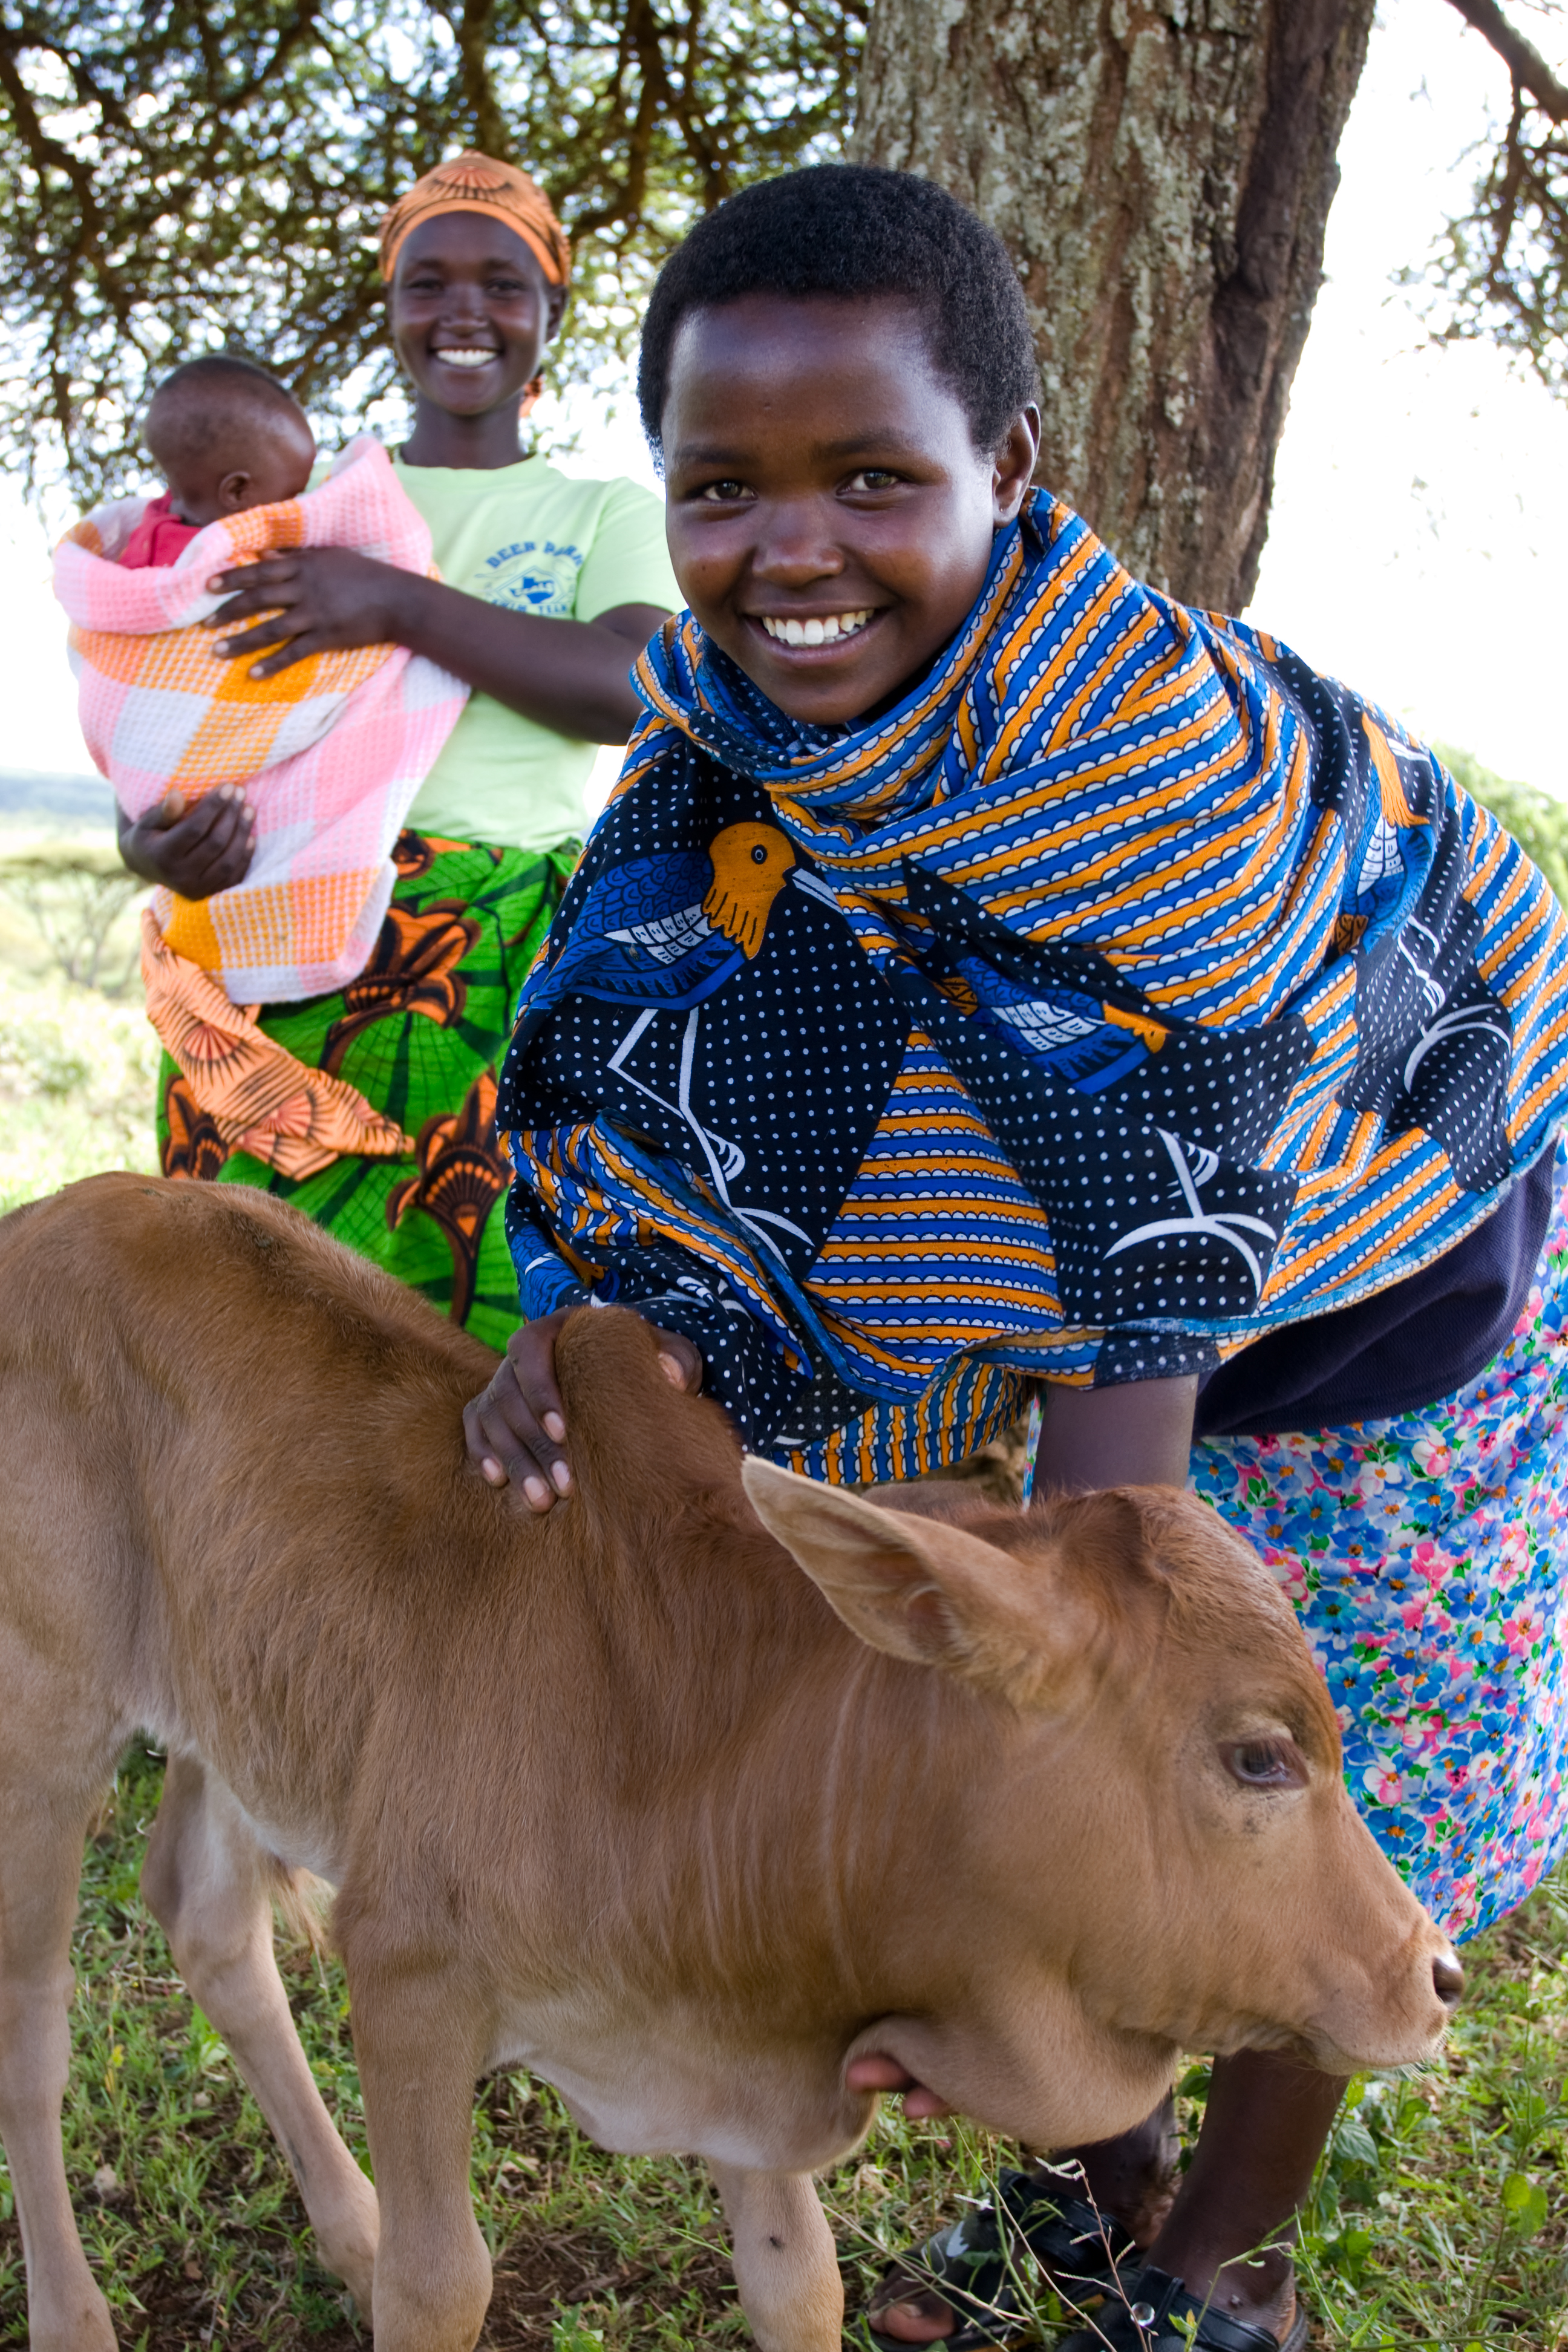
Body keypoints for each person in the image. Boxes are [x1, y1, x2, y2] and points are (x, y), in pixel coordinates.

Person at [461, 165, 1568, 2352]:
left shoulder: (1139, 790)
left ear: (1008, 470)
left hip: (1377, 1299)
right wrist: (592, 1313)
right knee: (1025, 1750)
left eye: (872, 475)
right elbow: (664, 1067)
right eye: (722, 485)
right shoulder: (725, 748)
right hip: (1058, 1307)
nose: (792, 546)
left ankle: (1214, 2276)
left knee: (1253, 1765)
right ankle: (1107, 2201)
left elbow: (1118, 1532)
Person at [117, 151, 679, 1345]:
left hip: (493, 964)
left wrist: (397, 603)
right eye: (427, 283)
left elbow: (631, 684)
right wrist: (153, 838)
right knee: (242, 1326)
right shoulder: (302, 502)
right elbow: (167, 695)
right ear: (390, 311)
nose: (463, 312)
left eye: (502, 283)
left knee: (459, 1335)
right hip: (274, 951)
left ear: (550, 317)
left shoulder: (599, 514)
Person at [116, 355, 318, 568]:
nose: (301, 507)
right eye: (292, 496)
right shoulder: (215, 570)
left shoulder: (153, 526)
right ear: (237, 492)